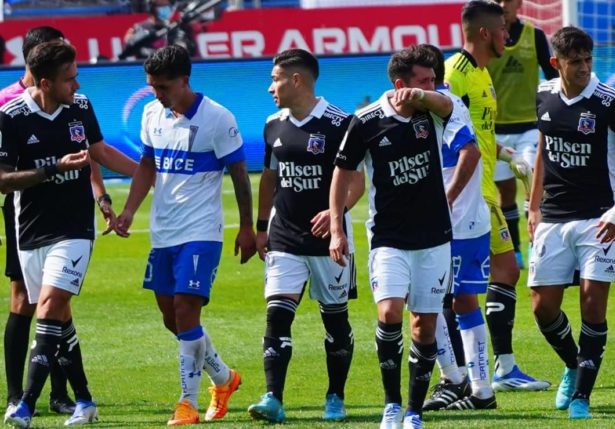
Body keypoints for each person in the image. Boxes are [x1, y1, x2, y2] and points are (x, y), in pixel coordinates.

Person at [0, 39, 140, 428]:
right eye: (68, 79)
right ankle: (84, 400)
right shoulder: (10, 116)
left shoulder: (79, 107)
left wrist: (148, 173)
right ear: (44, 82)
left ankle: (25, 404)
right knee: (59, 317)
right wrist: (52, 170)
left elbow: (99, 152)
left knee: (48, 306)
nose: (76, 86)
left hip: (75, 228)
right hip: (29, 230)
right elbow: (3, 181)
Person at [114, 45, 255, 426]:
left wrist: (246, 227)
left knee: (185, 310)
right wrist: (129, 210)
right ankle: (224, 379)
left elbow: (240, 176)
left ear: (184, 81)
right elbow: (147, 163)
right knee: (171, 319)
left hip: (201, 231)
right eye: (152, 87)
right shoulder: (150, 113)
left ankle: (186, 404)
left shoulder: (217, 117)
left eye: (163, 87)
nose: (157, 94)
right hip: (164, 232)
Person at [330, 44, 453, 429]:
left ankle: (414, 411)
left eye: (433, 80)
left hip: (434, 237)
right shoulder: (365, 121)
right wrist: (336, 227)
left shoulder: (435, 110)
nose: (431, 86)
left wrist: (425, 95)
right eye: (422, 80)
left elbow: (447, 106)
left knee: (425, 326)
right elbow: (342, 174)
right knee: (389, 313)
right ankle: (392, 405)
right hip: (388, 237)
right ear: (400, 83)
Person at [528, 26, 615, 419]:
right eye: (574, 61)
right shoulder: (544, 95)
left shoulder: (611, 101)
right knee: (542, 308)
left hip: (600, 218)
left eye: (587, 60)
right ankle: (572, 363)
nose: (583, 67)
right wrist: (533, 207)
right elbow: (544, 152)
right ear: (556, 62)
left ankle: (581, 396)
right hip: (554, 216)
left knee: (592, 303)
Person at [247, 48, 364, 424]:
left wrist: (335, 214)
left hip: (329, 240)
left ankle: (335, 396)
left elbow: (358, 179)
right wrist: (262, 226)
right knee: (277, 316)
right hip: (285, 236)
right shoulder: (272, 124)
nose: (270, 88)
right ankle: (272, 398)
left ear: (296, 80)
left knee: (335, 321)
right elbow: (269, 177)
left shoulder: (340, 123)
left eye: (275, 79)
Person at [444, 0, 549, 394]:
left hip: (486, 190)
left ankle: (502, 368)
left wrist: (507, 155)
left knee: (505, 271)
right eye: (503, 29)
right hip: (467, 195)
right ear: (485, 33)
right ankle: (457, 374)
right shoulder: (455, 74)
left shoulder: (483, 74)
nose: (509, 34)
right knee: (458, 288)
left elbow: (474, 132)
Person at [421, 43, 496, 412]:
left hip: (462, 223)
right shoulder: (424, 110)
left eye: (425, 81)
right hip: (442, 222)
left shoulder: (450, 105)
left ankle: (479, 388)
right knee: (426, 300)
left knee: (458, 300)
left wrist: (446, 199)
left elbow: (471, 153)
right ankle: (456, 378)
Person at [488, 0, 558, 269]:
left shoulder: (535, 35)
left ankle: (537, 244)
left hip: (530, 126)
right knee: (505, 193)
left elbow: (552, 74)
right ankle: (514, 250)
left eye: (509, 0)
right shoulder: (487, 37)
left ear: (519, 3)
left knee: (531, 178)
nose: (503, 5)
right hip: (497, 129)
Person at [123, 0, 196, 59]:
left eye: (167, 6)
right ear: (151, 8)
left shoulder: (176, 28)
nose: (165, 9)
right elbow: (128, 47)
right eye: (160, 6)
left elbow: (190, 51)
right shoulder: (140, 28)